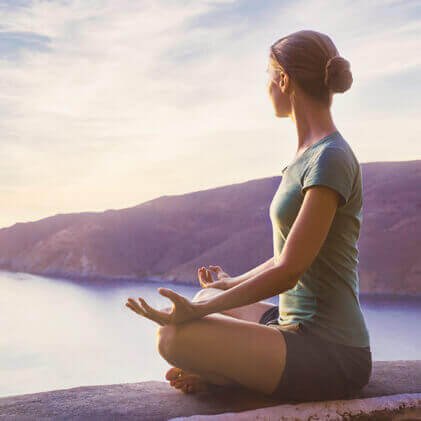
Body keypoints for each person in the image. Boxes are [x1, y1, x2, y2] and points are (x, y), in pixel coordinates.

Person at [125, 29, 372, 402]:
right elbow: (291, 254)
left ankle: (230, 378)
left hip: (331, 350)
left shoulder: (330, 158)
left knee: (172, 335)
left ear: (284, 80)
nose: (267, 87)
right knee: (209, 292)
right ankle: (233, 372)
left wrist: (200, 309)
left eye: (268, 76)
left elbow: (289, 270)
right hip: (294, 325)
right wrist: (229, 284)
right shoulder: (309, 155)